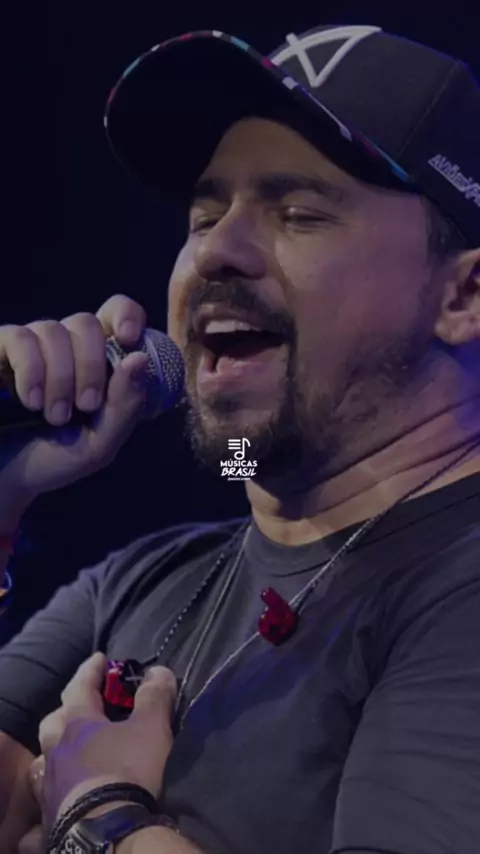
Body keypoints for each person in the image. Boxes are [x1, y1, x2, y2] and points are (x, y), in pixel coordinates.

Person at [0, 20, 480, 854]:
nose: (216, 251)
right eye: (204, 214)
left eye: (299, 213)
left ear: (463, 298)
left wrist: (101, 815)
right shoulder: (143, 578)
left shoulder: (458, 592)